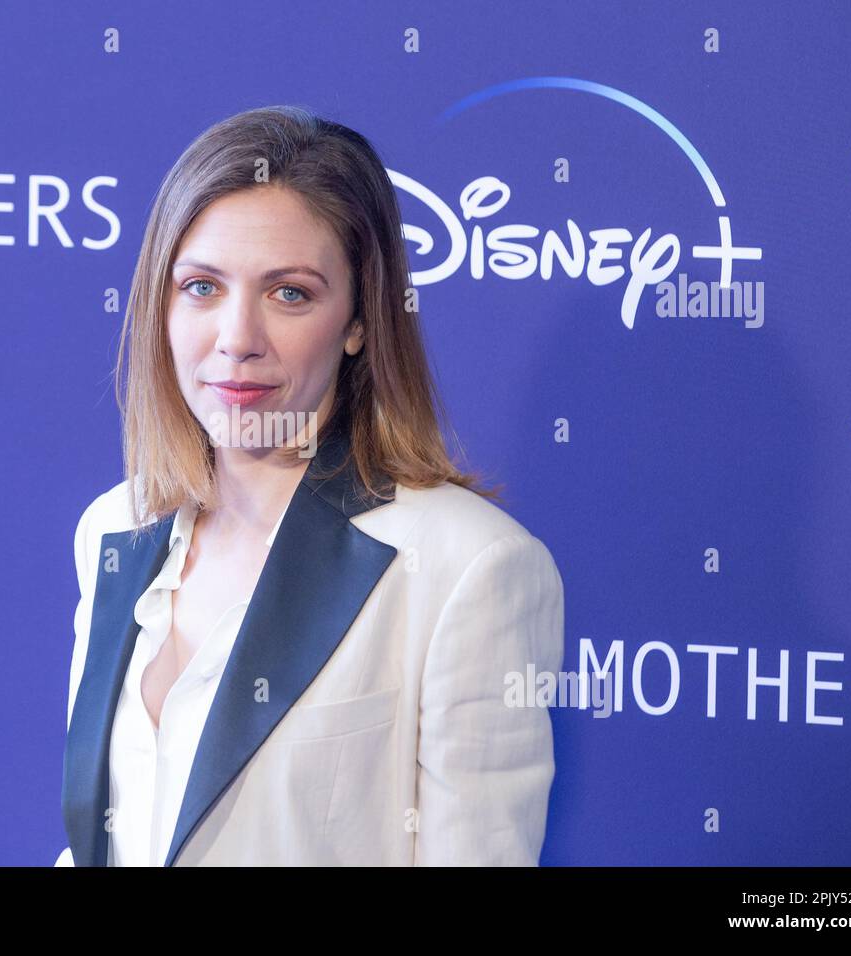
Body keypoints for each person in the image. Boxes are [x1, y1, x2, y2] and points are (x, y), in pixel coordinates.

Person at [57, 105, 564, 866]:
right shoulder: (115, 529)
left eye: (289, 293)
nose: (236, 339)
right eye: (201, 287)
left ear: (358, 319)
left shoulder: (469, 568)